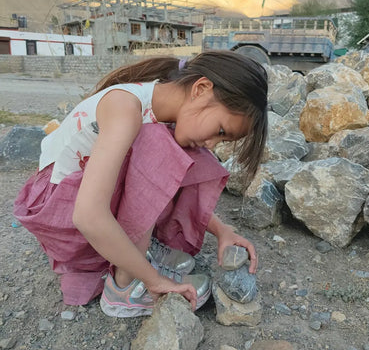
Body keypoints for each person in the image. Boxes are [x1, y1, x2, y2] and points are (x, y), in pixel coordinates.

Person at [14, 50, 268, 318]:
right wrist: (154, 280)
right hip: (60, 216)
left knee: (181, 152)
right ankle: (125, 285)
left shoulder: (158, 106)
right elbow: (87, 215)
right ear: (201, 89)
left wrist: (221, 230)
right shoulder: (126, 109)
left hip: (75, 205)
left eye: (223, 141)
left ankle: (136, 250)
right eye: (220, 132)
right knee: (160, 148)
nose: (212, 144)